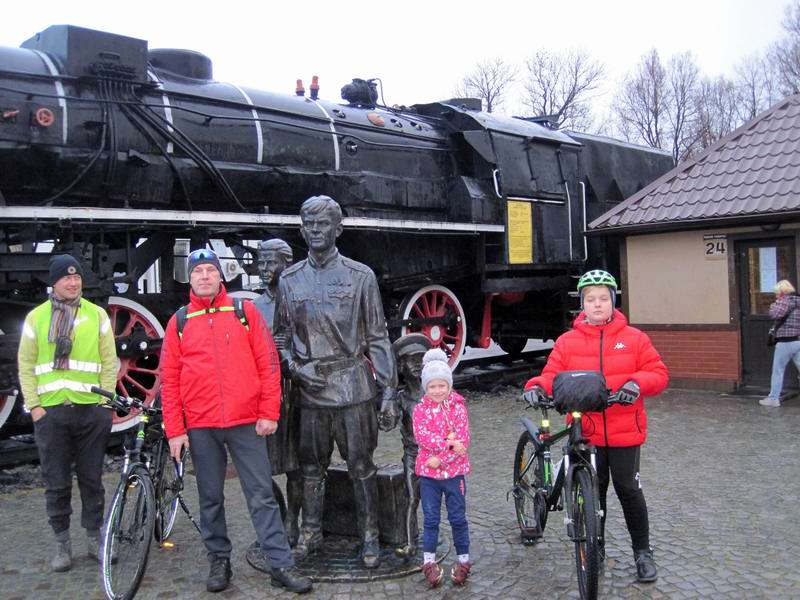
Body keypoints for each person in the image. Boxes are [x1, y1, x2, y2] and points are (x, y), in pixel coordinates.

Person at [160, 248, 312, 594]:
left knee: (261, 495)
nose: (203, 276)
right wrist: (176, 431)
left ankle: (279, 564)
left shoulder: (245, 313)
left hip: (246, 422)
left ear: (220, 276)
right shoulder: (180, 322)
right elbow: (169, 380)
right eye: (197, 271)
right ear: (190, 278)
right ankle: (219, 560)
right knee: (210, 497)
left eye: (209, 271)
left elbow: (269, 363)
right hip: (201, 426)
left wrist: (268, 413)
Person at [274, 195, 399, 569]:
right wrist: (294, 368)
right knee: (311, 469)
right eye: (308, 225)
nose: (315, 231)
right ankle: (311, 533)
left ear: (338, 228)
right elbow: (279, 337)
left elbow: (377, 337)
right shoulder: (289, 279)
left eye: (322, 224)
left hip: (352, 388)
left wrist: (389, 391)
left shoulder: (361, 276)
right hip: (309, 391)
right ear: (301, 229)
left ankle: (370, 535)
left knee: (362, 467)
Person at [523, 269, 668, 583]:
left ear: (613, 302)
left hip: (624, 431)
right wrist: (536, 385)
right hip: (585, 431)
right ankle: (595, 547)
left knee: (629, 490)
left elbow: (658, 373)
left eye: (603, 298)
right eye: (591, 299)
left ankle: (642, 552)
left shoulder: (634, 339)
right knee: (594, 492)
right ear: (583, 304)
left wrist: (636, 383)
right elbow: (552, 374)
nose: (597, 304)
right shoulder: (567, 342)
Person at [17, 254, 117, 572]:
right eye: (66, 278)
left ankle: (93, 539)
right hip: (51, 413)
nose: (73, 282)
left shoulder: (97, 315)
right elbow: (26, 363)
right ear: (54, 282)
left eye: (77, 278)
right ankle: (62, 544)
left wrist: (105, 405)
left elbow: (109, 360)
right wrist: (34, 406)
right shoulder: (36, 318)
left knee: (92, 480)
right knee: (56, 482)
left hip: (90, 411)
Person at [253, 239, 303, 545]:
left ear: (286, 264)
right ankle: (279, 512)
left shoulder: (301, 300)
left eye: (270, 263)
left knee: (296, 465)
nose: (263, 269)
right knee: (260, 467)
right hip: (264, 395)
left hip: (295, 393)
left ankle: (293, 521)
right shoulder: (254, 307)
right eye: (260, 262)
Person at [413, 348, 472, 588]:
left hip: (454, 475)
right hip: (429, 476)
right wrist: (448, 447)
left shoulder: (458, 408)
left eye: (442, 386)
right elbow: (421, 436)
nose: (437, 391)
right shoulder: (419, 410)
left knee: (458, 518)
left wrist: (441, 457)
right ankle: (428, 561)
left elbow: (464, 441)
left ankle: (464, 560)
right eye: (432, 387)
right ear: (426, 388)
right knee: (431, 519)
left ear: (449, 386)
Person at [391, 333, 432, 558]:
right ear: (401, 367)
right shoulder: (401, 398)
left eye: (421, 359)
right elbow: (388, 423)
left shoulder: (435, 394)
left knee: (434, 500)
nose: (417, 365)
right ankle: (410, 542)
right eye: (411, 360)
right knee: (411, 497)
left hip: (436, 456)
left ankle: (433, 540)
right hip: (412, 456)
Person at [761, 279, 800, 407]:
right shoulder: (797, 301)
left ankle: (773, 398)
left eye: (777, 293)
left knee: (778, 370)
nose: (776, 295)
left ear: (782, 292)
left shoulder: (784, 302)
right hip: (797, 340)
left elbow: (774, 314)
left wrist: (774, 304)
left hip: (785, 342)